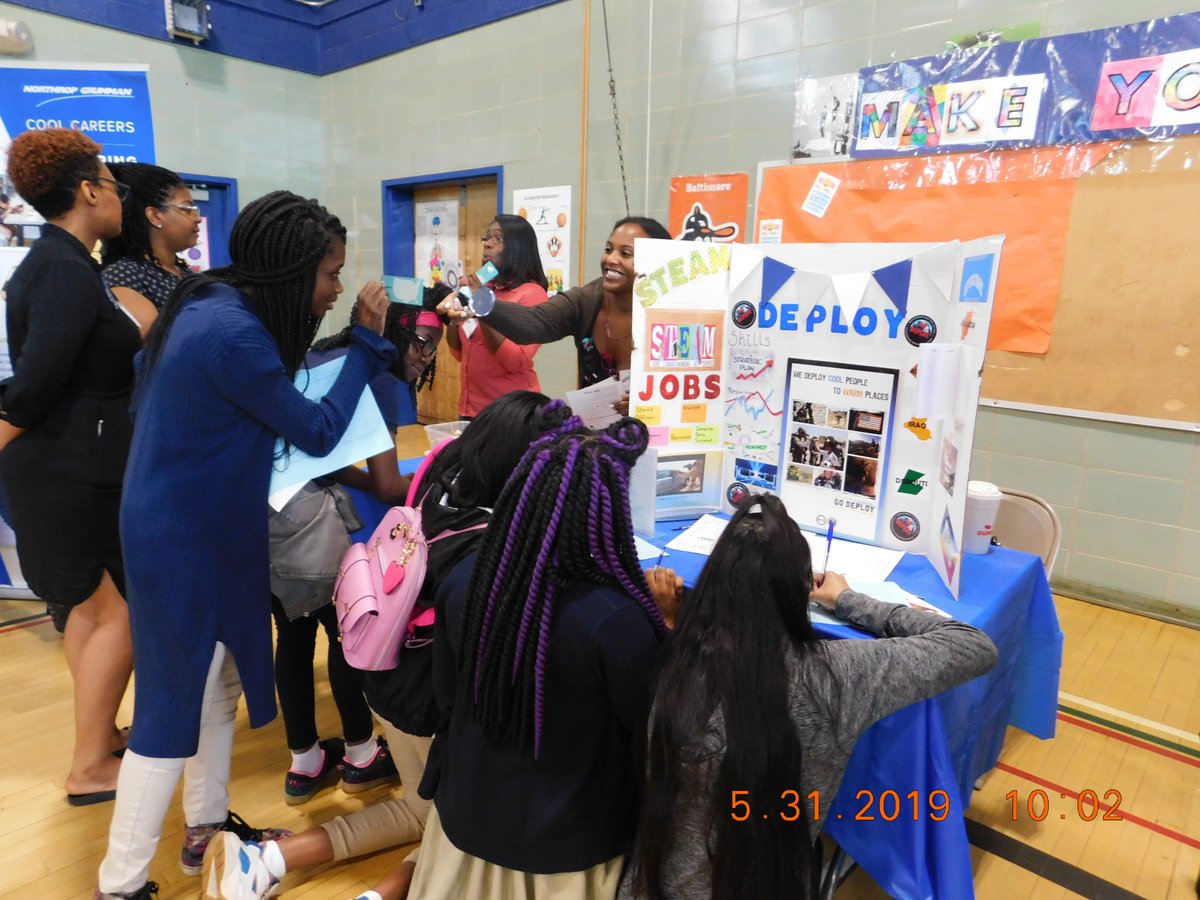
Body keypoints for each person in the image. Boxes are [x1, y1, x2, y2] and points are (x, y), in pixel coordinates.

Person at [95, 191, 397, 900]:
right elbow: (316, 430)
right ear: (294, 270)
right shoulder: (229, 331)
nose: (335, 288)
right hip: (183, 536)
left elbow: (275, 386)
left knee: (216, 684)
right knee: (170, 708)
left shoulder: (221, 306)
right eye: (330, 274)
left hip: (205, 524)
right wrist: (363, 341)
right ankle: (120, 885)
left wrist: (347, 343)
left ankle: (205, 832)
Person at [203, 392, 575, 900]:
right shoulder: (498, 546)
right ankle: (374, 894)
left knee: (422, 812)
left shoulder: (437, 484)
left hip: (387, 671)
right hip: (432, 701)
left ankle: (268, 859)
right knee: (469, 826)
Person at [621, 493, 998, 900]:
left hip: (653, 880)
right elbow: (972, 645)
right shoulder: (835, 674)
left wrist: (669, 622)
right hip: (773, 880)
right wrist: (847, 599)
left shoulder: (676, 658)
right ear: (800, 589)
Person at [406, 416, 674, 899]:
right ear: (610, 512)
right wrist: (669, 628)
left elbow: (447, 699)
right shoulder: (615, 620)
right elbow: (651, 733)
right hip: (566, 847)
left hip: (466, 819)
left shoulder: (466, 581)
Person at [266, 286, 450, 807]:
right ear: (392, 332)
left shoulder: (325, 355)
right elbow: (389, 486)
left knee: (293, 637)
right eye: (420, 341)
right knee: (350, 634)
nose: (426, 355)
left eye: (434, 346)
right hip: (314, 530)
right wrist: (435, 478)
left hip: (269, 518)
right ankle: (362, 754)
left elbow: (322, 454)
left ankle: (304, 762)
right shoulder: (381, 376)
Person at [0, 128, 138, 805]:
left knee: (90, 612)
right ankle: (88, 768)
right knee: (118, 618)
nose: (119, 197)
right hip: (67, 472)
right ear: (88, 190)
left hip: (77, 466)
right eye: (113, 186)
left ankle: (100, 738)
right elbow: (36, 384)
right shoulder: (62, 269)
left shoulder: (65, 263)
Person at [438, 216, 671, 388]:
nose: (611, 259)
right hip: (599, 430)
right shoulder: (585, 301)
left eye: (626, 253)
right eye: (608, 249)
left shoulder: (676, 308)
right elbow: (534, 323)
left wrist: (640, 401)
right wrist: (479, 301)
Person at [443, 214, 547, 417]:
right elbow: (458, 353)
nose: (487, 244)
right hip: (470, 408)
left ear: (518, 248)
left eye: (498, 239)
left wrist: (482, 304)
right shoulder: (483, 288)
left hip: (510, 413)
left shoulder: (532, 294)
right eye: (487, 237)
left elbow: (515, 361)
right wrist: (453, 315)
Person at [100, 162, 201, 336]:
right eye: (187, 209)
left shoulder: (185, 273)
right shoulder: (125, 275)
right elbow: (154, 344)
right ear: (155, 216)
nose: (197, 218)